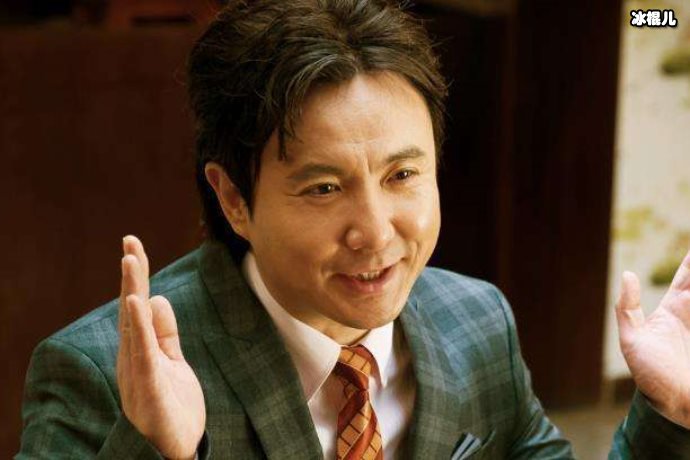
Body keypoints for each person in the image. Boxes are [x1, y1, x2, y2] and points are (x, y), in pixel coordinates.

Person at [17, 0, 690, 458]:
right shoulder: (101, 374)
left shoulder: (477, 322)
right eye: (324, 188)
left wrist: (667, 412)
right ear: (234, 199)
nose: (374, 232)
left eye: (403, 175)